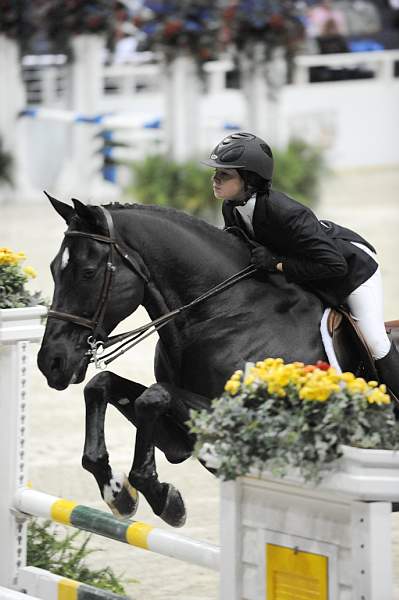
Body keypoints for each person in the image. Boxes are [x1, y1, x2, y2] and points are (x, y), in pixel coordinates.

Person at [201, 131, 399, 399]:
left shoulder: (286, 212)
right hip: (307, 268)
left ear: (249, 179)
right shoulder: (231, 207)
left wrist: (277, 264)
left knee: (374, 340)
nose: (215, 179)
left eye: (224, 174)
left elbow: (334, 266)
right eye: (216, 173)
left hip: (351, 270)